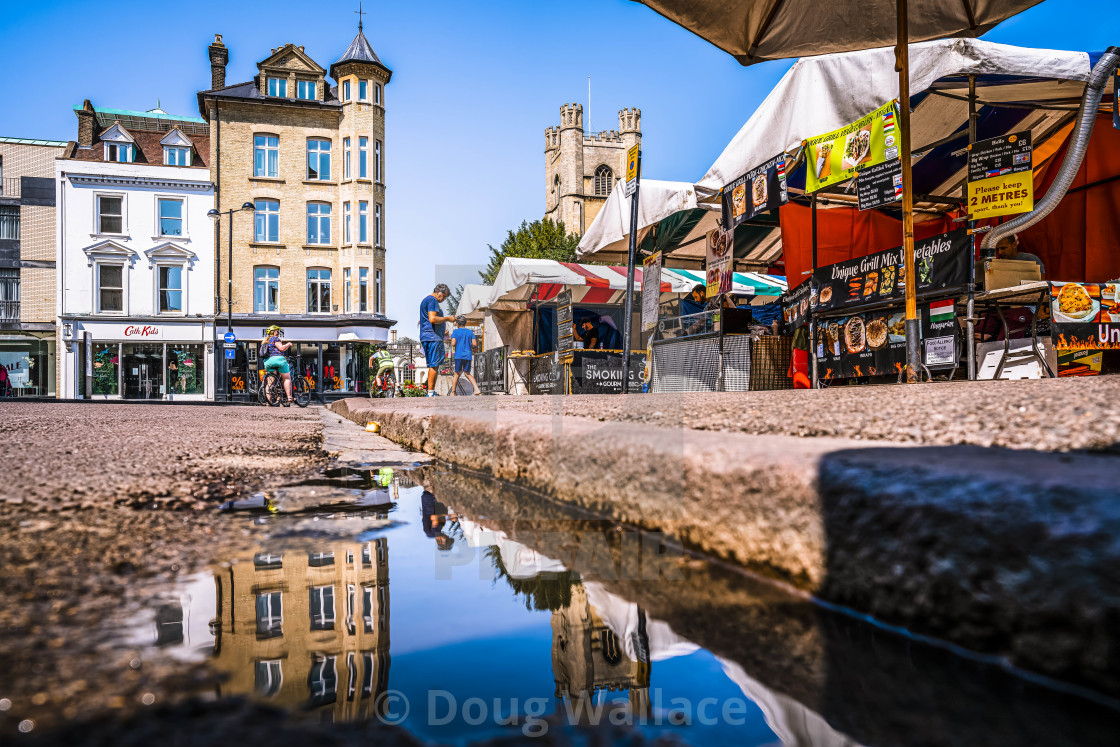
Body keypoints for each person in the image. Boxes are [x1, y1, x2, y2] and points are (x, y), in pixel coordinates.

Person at [419, 283, 455, 396]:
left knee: (434, 364)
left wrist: (442, 330)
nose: (444, 299)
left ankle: (431, 391)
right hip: (432, 337)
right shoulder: (432, 300)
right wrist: (448, 318)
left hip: (431, 335)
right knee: (434, 364)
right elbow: (433, 319)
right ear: (438, 292)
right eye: (443, 296)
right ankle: (430, 393)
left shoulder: (428, 300)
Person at [260, 325, 294, 406]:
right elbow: (281, 348)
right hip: (278, 360)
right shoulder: (275, 339)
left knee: (270, 382)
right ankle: (289, 397)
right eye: (276, 331)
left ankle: (268, 402)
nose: (278, 332)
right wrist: (288, 344)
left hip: (268, 361)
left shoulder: (265, 341)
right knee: (287, 379)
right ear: (272, 332)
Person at [449, 315, 481, 395]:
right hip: (468, 355)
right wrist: (468, 344)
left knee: (456, 373)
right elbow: (474, 344)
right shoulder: (470, 332)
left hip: (458, 355)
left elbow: (453, 344)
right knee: (467, 373)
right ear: (465, 323)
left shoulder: (455, 332)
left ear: (457, 324)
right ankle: (476, 389)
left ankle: (453, 392)